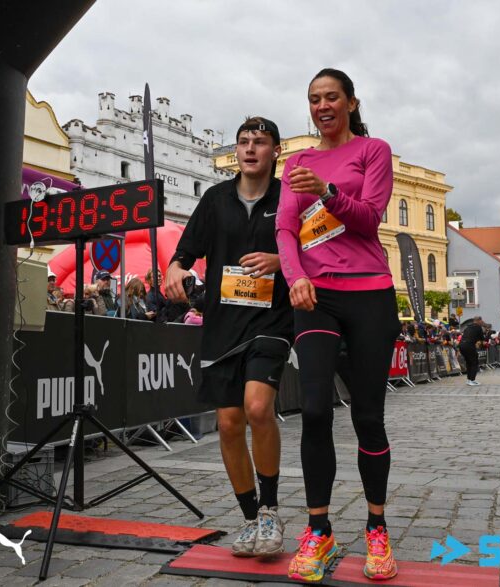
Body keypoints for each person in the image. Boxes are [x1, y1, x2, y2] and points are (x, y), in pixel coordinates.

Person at [275, 69, 400, 582]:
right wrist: (295, 278)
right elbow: (285, 229)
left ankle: (376, 527)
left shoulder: (373, 151)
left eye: (331, 97)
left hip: (370, 292)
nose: (322, 106)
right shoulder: (296, 162)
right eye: (314, 99)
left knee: (368, 416)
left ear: (350, 102)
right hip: (316, 296)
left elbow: (369, 218)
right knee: (314, 410)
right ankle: (319, 531)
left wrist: (327, 191)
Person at [166, 117, 292, 559]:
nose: (250, 148)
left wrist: (280, 261)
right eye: (243, 142)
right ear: (235, 151)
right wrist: (175, 268)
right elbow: (185, 252)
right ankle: (250, 517)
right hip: (223, 324)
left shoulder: (289, 198)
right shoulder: (215, 199)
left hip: (272, 320)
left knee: (258, 408)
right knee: (229, 423)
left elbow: (314, 252)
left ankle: (271, 510)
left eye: (260, 141)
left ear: (276, 151)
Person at [459, 317, 485, 386]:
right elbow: (482, 338)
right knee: (474, 363)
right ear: (478, 320)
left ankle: (468, 380)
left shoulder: (467, 327)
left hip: (462, 345)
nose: (482, 322)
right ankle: (472, 380)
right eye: (481, 321)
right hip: (469, 345)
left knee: (469, 363)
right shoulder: (478, 327)